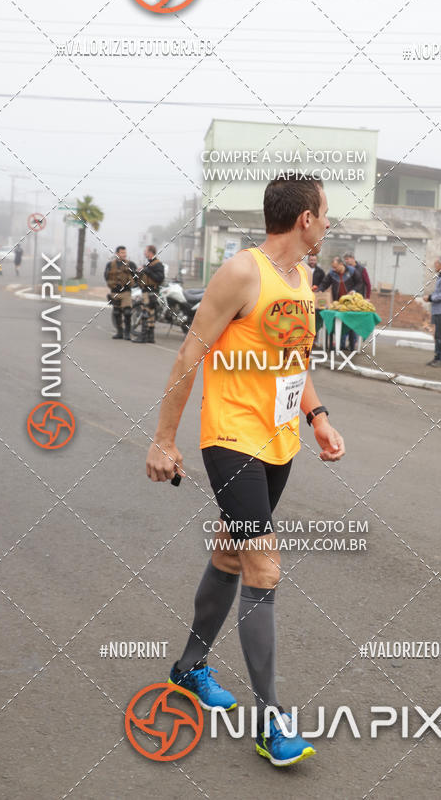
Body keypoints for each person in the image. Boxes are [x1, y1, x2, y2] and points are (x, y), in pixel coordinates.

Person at [146, 174, 345, 767]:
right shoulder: (242, 273)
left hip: (280, 441)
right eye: (325, 213)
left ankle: (189, 668)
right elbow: (190, 355)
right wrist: (163, 440)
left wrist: (317, 417)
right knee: (264, 562)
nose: (328, 223)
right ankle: (271, 722)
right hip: (231, 438)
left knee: (232, 554)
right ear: (305, 218)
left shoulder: (302, 281)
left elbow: (294, 362)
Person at [318, 256, 362, 351]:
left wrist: (354, 290)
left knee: (351, 324)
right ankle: (340, 345)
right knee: (339, 324)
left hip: (351, 302)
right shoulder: (332, 273)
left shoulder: (352, 271)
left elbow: (359, 283)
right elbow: (324, 284)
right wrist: (320, 290)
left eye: (335, 267)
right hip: (338, 303)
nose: (333, 269)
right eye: (332, 267)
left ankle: (352, 345)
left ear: (341, 264)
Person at [104, 246, 136, 340]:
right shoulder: (110, 264)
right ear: (117, 254)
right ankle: (119, 332)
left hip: (126, 292)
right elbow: (106, 276)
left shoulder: (131, 264)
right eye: (122, 253)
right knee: (117, 312)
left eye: (125, 252)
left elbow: (136, 276)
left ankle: (127, 333)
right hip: (115, 292)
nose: (124, 254)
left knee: (127, 312)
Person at [134, 245, 165, 343]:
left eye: (146, 251)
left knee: (145, 313)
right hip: (146, 291)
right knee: (151, 314)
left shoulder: (157, 264)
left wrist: (147, 270)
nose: (144, 252)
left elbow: (159, 278)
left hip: (151, 292)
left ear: (150, 252)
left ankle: (143, 337)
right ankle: (150, 337)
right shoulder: (149, 263)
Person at [307, 253, 325, 345]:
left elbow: (324, 283)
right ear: (308, 260)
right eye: (311, 260)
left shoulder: (321, 272)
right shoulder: (304, 269)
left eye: (314, 260)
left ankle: (315, 338)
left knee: (316, 317)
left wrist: (318, 289)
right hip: (305, 296)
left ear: (316, 260)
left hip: (317, 297)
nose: (312, 262)